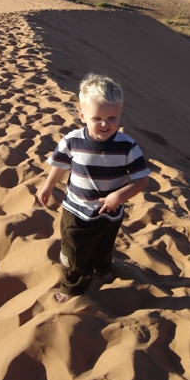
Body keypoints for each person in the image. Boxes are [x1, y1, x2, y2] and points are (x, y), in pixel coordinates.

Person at [38, 72, 150, 303]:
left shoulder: (127, 146)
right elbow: (59, 165)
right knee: (73, 251)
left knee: (103, 245)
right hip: (77, 210)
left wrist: (119, 196)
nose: (105, 124)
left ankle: (102, 268)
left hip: (110, 212)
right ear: (82, 115)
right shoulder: (72, 140)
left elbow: (141, 179)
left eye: (112, 118)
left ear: (120, 113)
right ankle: (73, 286)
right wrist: (48, 186)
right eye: (97, 118)